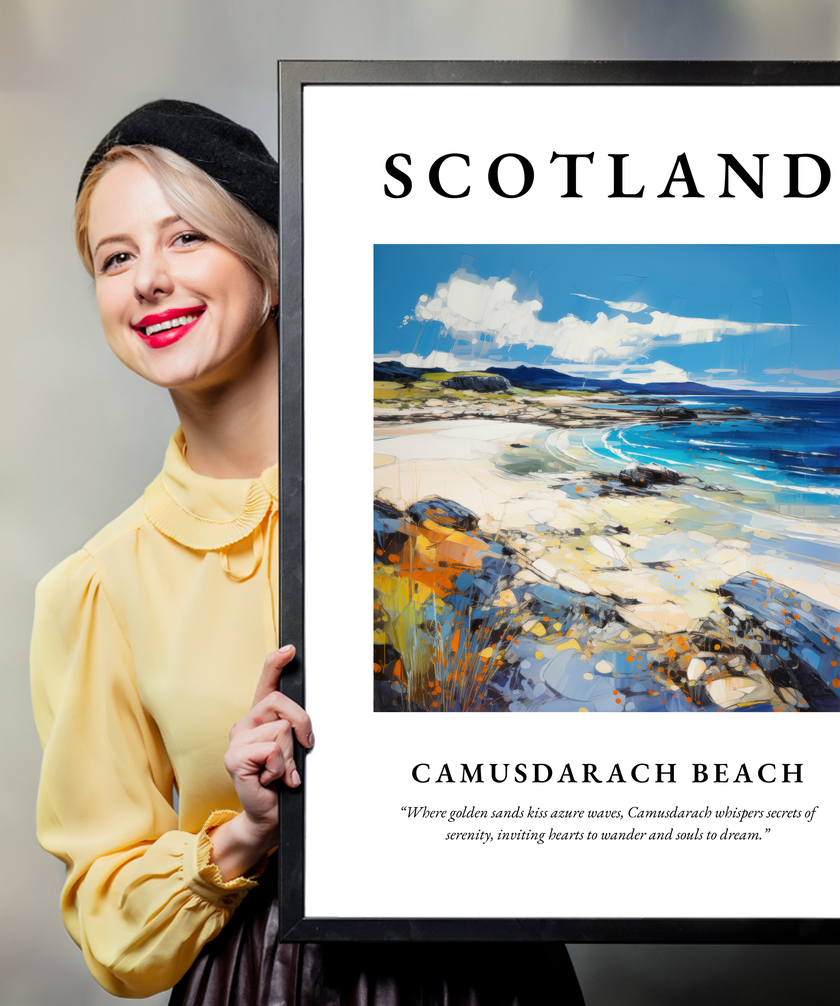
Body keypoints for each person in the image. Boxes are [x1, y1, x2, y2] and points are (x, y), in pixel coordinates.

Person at [30, 100, 585, 1004]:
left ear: (273, 264)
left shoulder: (441, 502)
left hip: (492, 973)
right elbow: (110, 924)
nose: (148, 281)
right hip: (263, 981)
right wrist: (245, 832)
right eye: (116, 257)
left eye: (185, 239)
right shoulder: (97, 587)